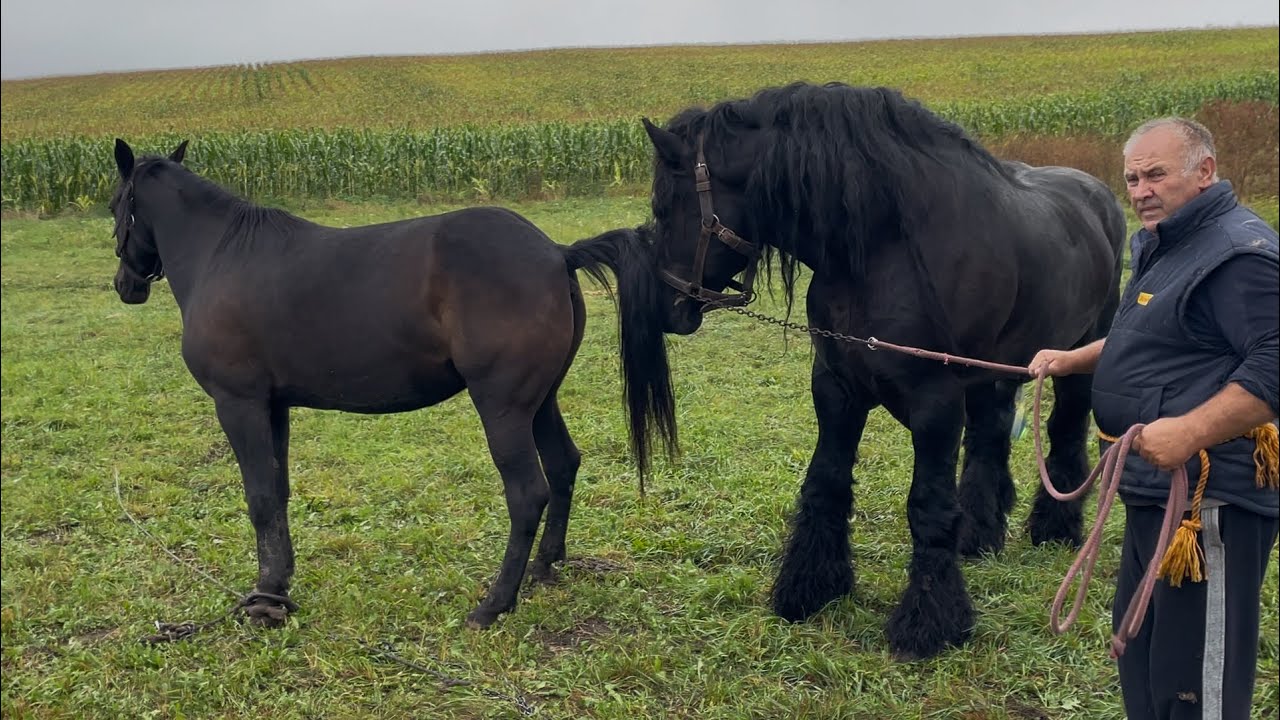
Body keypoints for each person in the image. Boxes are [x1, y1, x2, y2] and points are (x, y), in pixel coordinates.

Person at [1028, 116, 1278, 720]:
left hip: (1208, 501)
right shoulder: (1165, 243)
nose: (1140, 189)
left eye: (1156, 174)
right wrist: (1073, 358)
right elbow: (1145, 334)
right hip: (1152, 491)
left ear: (1205, 172)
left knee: (1196, 680)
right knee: (1144, 658)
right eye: (1132, 177)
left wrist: (1191, 430)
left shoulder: (1239, 254)